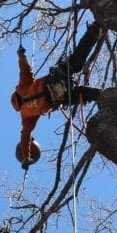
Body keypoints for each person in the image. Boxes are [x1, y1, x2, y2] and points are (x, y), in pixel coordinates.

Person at [11, 22, 102, 168]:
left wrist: (26, 158)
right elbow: (25, 70)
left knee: (87, 94)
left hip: (59, 97)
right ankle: (94, 30)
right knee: (78, 60)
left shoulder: (26, 115)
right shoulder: (22, 89)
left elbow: (25, 136)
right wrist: (21, 55)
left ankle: (103, 96)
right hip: (55, 81)